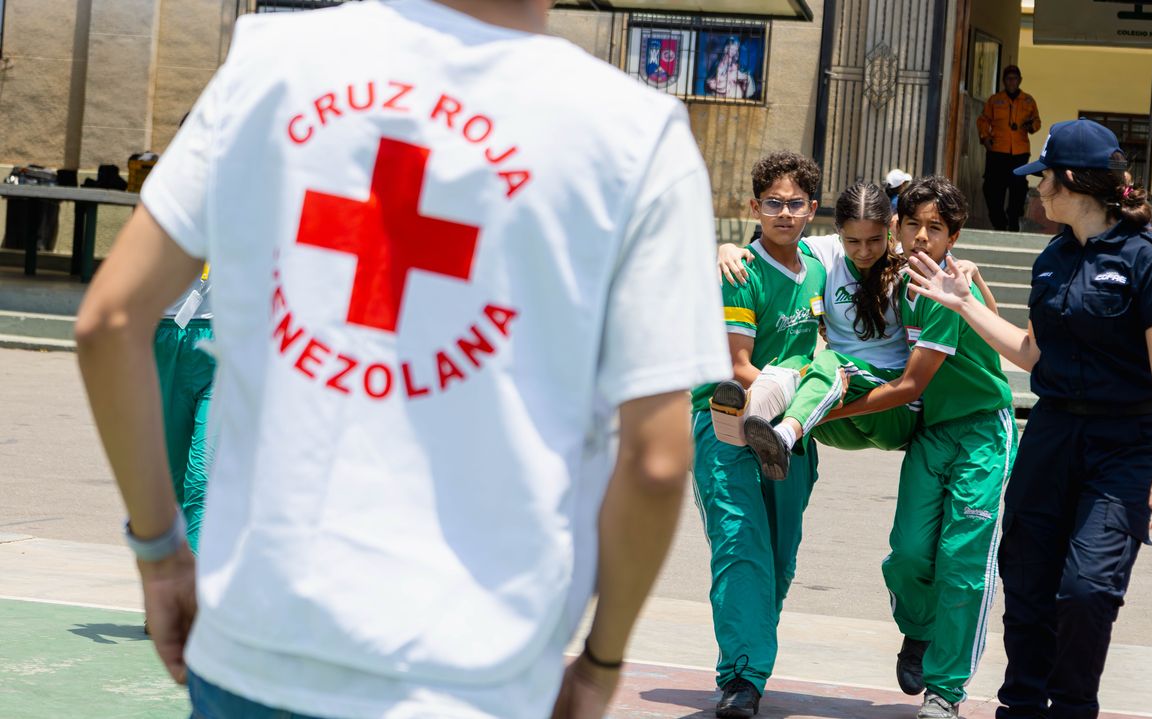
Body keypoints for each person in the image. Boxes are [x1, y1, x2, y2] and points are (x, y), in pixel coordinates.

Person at [73, 2, 731, 718]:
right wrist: (601, 662)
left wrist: (162, 554)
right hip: (476, 672)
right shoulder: (635, 135)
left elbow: (108, 322)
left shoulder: (275, 59)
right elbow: (658, 460)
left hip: (256, 647)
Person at [906, 119, 1152, 719]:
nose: (1036, 189)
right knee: (1028, 583)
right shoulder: (1053, 258)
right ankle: (1022, 704)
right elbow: (1032, 354)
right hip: (1053, 433)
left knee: (1086, 591)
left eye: (1043, 179)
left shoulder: (1148, 258)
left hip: (1124, 443)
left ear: (1073, 182)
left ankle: (1073, 707)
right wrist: (966, 305)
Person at [825, 176, 1016, 719]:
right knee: (909, 554)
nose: (923, 236)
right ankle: (919, 630)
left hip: (983, 430)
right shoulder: (894, 274)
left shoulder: (944, 284)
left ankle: (946, 691)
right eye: (914, 224)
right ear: (895, 227)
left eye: (936, 228)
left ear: (954, 236)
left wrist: (826, 416)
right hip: (931, 432)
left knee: (962, 563)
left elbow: (910, 385)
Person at [718, 182, 1000, 483]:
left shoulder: (912, 262)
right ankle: (736, 423)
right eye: (852, 241)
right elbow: (772, 247)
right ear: (838, 232)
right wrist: (728, 249)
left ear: (892, 228)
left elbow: (987, 322)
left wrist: (975, 274)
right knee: (793, 366)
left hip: (889, 408)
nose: (863, 251)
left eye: (874, 240)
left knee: (828, 363)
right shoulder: (824, 253)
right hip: (833, 405)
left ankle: (784, 436)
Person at [690, 151, 825, 719]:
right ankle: (743, 678)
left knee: (780, 553)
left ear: (813, 210)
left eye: (795, 203)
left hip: (791, 433)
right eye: (773, 203)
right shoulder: (739, 272)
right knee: (742, 545)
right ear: (754, 207)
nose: (785, 213)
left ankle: (751, 659)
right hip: (729, 426)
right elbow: (739, 364)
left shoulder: (819, 268)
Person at [154, 265, 214, 553]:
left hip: (224, 341)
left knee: (203, 477)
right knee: (171, 478)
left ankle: (196, 574)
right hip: (167, 335)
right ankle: (173, 566)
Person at [978, 65, 1040, 232]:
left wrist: (1031, 125)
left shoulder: (1028, 100)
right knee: (992, 188)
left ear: (1020, 80)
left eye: (1014, 78)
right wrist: (985, 138)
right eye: (1008, 78)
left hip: (1019, 152)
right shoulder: (995, 100)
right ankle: (999, 221)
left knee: (1017, 188)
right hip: (997, 150)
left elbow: (1037, 122)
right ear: (1004, 81)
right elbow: (983, 120)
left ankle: (1013, 220)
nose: (1012, 81)